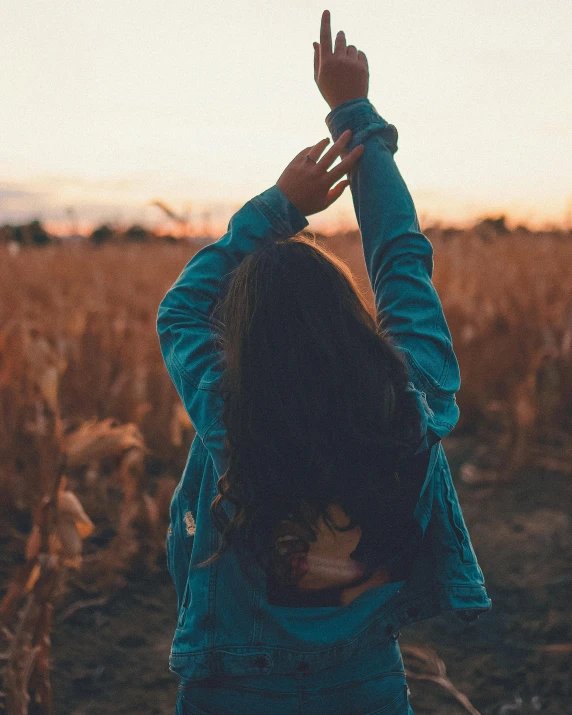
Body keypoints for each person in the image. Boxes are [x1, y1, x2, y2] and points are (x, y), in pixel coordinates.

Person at [157, 9, 491, 714]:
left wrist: (281, 206)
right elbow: (401, 261)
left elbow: (182, 311)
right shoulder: (413, 401)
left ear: (244, 341)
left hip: (232, 688)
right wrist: (352, 110)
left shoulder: (230, 417)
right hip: (365, 683)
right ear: (351, 323)